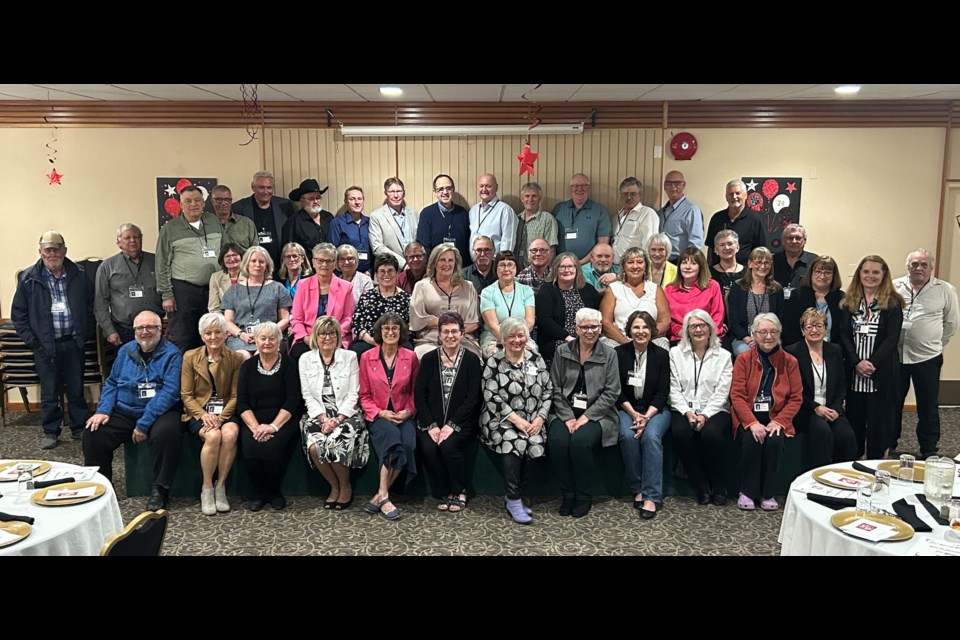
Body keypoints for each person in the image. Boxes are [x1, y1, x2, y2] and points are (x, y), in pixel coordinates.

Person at [83, 311, 183, 511]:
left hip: (159, 411)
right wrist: (103, 410)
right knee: (94, 432)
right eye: (140, 328)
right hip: (125, 408)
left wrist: (144, 423)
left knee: (167, 433)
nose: (145, 332)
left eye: (150, 327)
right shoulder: (126, 351)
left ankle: (160, 489)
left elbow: (170, 392)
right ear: (135, 331)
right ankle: (103, 487)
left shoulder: (172, 354)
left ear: (160, 330)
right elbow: (112, 382)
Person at [12, 230, 95, 449]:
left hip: (73, 342)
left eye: (56, 248)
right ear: (40, 252)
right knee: (49, 391)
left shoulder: (79, 273)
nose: (52, 253)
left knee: (76, 388)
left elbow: (91, 305)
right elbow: (18, 314)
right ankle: (50, 431)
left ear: (64, 250)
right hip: (44, 346)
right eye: (48, 249)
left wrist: (84, 332)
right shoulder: (28, 277)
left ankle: (79, 428)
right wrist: (33, 341)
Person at [548, 307, 620, 517]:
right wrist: (569, 417)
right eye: (585, 327)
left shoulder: (609, 354)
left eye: (595, 327)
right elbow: (555, 387)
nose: (590, 331)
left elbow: (612, 392)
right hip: (564, 411)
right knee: (558, 442)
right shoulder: (563, 351)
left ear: (600, 329)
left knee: (580, 443)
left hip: (598, 413)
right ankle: (568, 494)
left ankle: (583, 496)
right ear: (576, 329)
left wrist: (586, 417)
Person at [480, 317, 552, 525]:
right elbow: (491, 395)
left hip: (533, 419)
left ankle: (517, 494)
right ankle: (513, 499)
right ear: (503, 338)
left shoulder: (535, 359)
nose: (516, 340)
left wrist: (540, 417)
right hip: (500, 420)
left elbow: (548, 390)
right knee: (515, 442)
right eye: (511, 335)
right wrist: (516, 421)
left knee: (536, 445)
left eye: (520, 335)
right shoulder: (495, 361)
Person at [729, 313, 802, 511]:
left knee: (775, 441)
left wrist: (780, 422)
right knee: (752, 439)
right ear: (753, 335)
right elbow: (736, 396)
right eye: (762, 332)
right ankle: (747, 491)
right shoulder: (743, 359)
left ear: (779, 334)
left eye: (773, 332)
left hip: (776, 418)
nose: (768, 336)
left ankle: (767, 492)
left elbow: (796, 397)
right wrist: (752, 423)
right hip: (748, 417)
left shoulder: (790, 361)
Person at [893, 249, 959, 457]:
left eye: (923, 264)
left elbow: (951, 323)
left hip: (927, 357)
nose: (918, 268)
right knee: (893, 403)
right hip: (897, 356)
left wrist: (934, 343)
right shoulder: (895, 286)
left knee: (928, 406)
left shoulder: (945, 290)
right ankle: (890, 442)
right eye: (914, 264)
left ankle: (929, 449)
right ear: (908, 266)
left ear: (931, 266)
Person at [414, 311, 482, 513]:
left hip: (462, 422)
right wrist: (432, 425)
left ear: (462, 334)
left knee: (448, 446)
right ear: (439, 335)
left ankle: (459, 489)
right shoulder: (428, 359)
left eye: (454, 331)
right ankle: (445, 490)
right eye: (445, 332)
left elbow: (472, 398)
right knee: (428, 447)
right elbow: (419, 394)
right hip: (431, 421)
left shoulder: (471, 360)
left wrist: (451, 426)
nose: (450, 336)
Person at [299, 316, 369, 510]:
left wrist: (337, 420)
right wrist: (323, 418)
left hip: (345, 413)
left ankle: (345, 487)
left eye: (331, 333)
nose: (327, 337)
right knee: (315, 447)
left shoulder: (350, 357)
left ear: (338, 336)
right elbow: (307, 395)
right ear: (315, 336)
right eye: (322, 333)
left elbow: (354, 393)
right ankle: (334, 486)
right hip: (317, 413)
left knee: (335, 443)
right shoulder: (306, 359)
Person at [839, 255, 904, 459]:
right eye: (866, 271)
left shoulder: (892, 303)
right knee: (855, 419)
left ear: (884, 275)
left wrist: (871, 363)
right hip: (855, 371)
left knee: (879, 423)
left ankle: (877, 462)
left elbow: (892, 338)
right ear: (859, 273)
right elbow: (843, 334)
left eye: (876, 272)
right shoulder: (849, 302)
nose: (870, 276)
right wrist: (856, 362)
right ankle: (855, 459)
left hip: (880, 372)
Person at [668, 310, 733, 506]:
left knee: (710, 434)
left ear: (710, 328)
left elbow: (722, 392)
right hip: (683, 408)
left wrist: (704, 415)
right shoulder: (675, 353)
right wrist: (687, 413)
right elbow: (673, 388)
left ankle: (718, 484)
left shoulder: (724, 356)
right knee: (681, 432)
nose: (698, 330)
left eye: (702, 325)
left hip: (715, 409)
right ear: (687, 331)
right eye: (693, 326)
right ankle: (701, 484)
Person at [359, 313, 420, 521]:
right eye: (386, 329)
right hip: (379, 416)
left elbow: (415, 391)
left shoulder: (410, 356)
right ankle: (385, 497)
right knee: (393, 440)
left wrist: (409, 412)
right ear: (380, 332)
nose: (391, 332)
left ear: (401, 332)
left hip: (404, 414)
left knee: (409, 443)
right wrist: (379, 412)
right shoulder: (367, 357)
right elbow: (364, 395)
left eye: (395, 328)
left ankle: (379, 495)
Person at [180, 313, 242, 515]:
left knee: (230, 434)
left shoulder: (234, 358)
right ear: (202, 336)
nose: (213, 337)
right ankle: (207, 488)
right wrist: (204, 416)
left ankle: (220, 486)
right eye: (208, 333)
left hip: (224, 410)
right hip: (198, 412)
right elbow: (187, 395)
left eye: (217, 332)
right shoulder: (190, 357)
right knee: (214, 435)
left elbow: (235, 395)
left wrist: (221, 417)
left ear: (226, 334)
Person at [236, 321, 302, 511]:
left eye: (272, 338)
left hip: (282, 419)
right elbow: (242, 401)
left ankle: (273, 492)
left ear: (280, 341)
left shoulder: (290, 365)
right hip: (253, 420)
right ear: (255, 341)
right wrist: (256, 427)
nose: (267, 342)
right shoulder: (247, 367)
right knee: (249, 449)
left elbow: (292, 400)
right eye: (262, 338)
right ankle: (259, 492)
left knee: (273, 449)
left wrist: (273, 426)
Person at [615, 311, 671, 520]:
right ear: (629, 329)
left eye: (645, 327)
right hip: (626, 407)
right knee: (627, 436)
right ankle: (637, 487)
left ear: (652, 331)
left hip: (655, 409)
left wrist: (645, 417)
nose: (640, 332)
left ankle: (651, 496)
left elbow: (662, 392)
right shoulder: (619, 353)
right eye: (636, 327)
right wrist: (633, 413)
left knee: (651, 437)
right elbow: (616, 389)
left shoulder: (661, 355)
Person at [785, 308, 857, 469]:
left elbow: (841, 386)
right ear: (802, 330)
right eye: (809, 326)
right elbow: (792, 391)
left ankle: (844, 475)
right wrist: (816, 408)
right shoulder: (792, 353)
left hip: (832, 408)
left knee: (847, 435)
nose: (814, 330)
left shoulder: (835, 350)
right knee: (822, 431)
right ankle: (821, 475)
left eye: (818, 326)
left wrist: (836, 408)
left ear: (826, 328)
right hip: (806, 410)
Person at [156, 185, 224, 352]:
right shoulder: (170, 229)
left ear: (203, 203)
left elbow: (225, 251)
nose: (193, 204)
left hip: (212, 290)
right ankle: (182, 377)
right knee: (183, 338)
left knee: (210, 336)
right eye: (188, 201)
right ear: (181, 205)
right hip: (183, 292)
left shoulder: (214, 221)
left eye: (197, 200)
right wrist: (167, 295)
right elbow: (161, 263)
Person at [95, 223, 163, 348]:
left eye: (136, 237)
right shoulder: (107, 266)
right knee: (129, 366)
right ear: (119, 242)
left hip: (155, 329)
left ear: (141, 239)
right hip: (124, 330)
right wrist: (109, 331)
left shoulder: (157, 261)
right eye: (127, 238)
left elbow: (168, 293)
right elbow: (100, 303)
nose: (132, 241)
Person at [409, 243, 481, 358]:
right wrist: (447, 327)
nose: (447, 264)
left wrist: (453, 334)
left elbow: (474, 323)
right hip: (431, 339)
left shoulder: (468, 287)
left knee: (471, 358)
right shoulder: (421, 286)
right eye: (442, 260)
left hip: (463, 339)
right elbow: (417, 319)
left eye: (450, 260)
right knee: (425, 356)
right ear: (434, 263)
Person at [221, 246, 292, 360]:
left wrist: (266, 333)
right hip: (241, 338)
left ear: (267, 266)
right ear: (246, 264)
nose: (257, 265)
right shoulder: (233, 291)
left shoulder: (278, 288)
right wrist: (241, 334)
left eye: (261, 262)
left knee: (262, 356)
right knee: (242, 356)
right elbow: (228, 321)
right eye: (253, 261)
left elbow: (285, 319)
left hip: (270, 337)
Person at [534, 251, 602, 365]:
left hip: (588, 337)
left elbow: (598, 313)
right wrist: (568, 337)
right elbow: (544, 320)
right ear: (556, 269)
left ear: (577, 269)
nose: (567, 270)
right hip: (557, 340)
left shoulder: (588, 290)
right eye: (563, 267)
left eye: (571, 266)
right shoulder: (546, 290)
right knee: (570, 351)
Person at [290, 243, 355, 357]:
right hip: (308, 337)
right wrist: (306, 338)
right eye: (320, 260)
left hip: (335, 337)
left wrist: (333, 336)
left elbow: (348, 318)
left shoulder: (346, 287)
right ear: (313, 262)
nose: (324, 265)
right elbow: (296, 319)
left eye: (329, 261)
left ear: (335, 264)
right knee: (298, 353)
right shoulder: (302, 285)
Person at [600, 247, 670, 349]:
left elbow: (665, 321)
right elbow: (606, 322)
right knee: (607, 348)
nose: (635, 266)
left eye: (640, 262)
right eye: (630, 262)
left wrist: (645, 338)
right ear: (624, 266)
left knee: (662, 347)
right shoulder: (614, 289)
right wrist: (626, 342)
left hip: (650, 338)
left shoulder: (656, 289)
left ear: (645, 266)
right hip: (620, 340)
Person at [350, 254, 411, 356]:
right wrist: (370, 340)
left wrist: (393, 341)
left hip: (397, 341)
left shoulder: (406, 298)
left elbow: (410, 326)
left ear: (397, 274)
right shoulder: (366, 296)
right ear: (376, 275)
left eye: (390, 270)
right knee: (357, 350)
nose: (386, 274)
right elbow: (356, 323)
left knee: (408, 350)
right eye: (382, 271)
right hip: (369, 341)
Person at [232, 170, 294, 270]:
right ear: (253, 187)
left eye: (269, 187)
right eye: (261, 187)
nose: (266, 191)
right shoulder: (239, 208)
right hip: (253, 266)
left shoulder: (284, 205)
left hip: (280, 265)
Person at [727, 246, 784, 355]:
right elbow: (734, 321)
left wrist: (767, 338)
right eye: (758, 262)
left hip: (770, 337)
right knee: (745, 353)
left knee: (777, 354)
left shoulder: (776, 289)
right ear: (750, 264)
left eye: (767, 263)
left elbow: (779, 318)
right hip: (744, 338)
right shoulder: (738, 287)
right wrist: (747, 338)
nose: (763, 266)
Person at [663, 247, 725, 344]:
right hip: (680, 338)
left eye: (693, 263)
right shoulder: (669, 289)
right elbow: (666, 319)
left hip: (709, 337)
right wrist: (681, 333)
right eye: (684, 263)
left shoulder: (712, 286)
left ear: (701, 267)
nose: (687, 267)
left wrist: (705, 334)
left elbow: (717, 315)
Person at [479, 250, 535, 357]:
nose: (506, 269)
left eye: (510, 265)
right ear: (495, 269)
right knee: (499, 354)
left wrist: (517, 339)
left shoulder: (527, 291)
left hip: (521, 337)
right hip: (494, 337)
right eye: (502, 265)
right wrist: (510, 341)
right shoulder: (487, 292)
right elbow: (493, 326)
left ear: (516, 268)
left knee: (531, 352)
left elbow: (530, 321)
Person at [781, 255, 845, 346]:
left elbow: (844, 332)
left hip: (833, 352)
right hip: (801, 351)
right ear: (811, 273)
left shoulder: (841, 298)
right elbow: (789, 328)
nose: (822, 276)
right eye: (818, 271)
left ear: (834, 275)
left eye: (827, 272)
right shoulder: (798, 295)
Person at [705, 179, 768, 265]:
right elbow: (711, 247)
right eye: (731, 194)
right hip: (718, 272)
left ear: (745, 195)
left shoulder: (755, 219)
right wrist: (708, 270)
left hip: (745, 273)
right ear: (726, 197)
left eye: (738, 193)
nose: (734, 197)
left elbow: (760, 250)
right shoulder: (716, 218)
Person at [553, 173, 611, 263]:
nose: (579, 189)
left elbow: (602, 243)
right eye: (575, 185)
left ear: (589, 188)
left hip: (588, 266)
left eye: (584, 185)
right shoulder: (559, 209)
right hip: (561, 265)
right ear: (571, 188)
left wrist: (581, 262)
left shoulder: (599, 211)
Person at [416, 174, 472, 266]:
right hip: (436, 268)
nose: (445, 192)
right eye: (440, 189)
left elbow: (467, 244)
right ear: (435, 192)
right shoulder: (426, 214)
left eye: (448, 188)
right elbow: (424, 245)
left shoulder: (463, 213)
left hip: (460, 268)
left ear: (453, 190)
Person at [369, 177, 419, 270]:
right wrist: (403, 264)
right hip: (390, 269)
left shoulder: (414, 214)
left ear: (404, 193)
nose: (396, 195)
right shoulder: (376, 216)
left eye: (399, 191)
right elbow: (377, 247)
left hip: (415, 268)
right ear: (385, 193)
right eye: (391, 192)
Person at [658, 170, 704, 263]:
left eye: (677, 183)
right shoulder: (661, 212)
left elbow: (695, 242)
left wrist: (688, 263)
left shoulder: (691, 210)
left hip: (681, 261)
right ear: (664, 187)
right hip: (662, 262)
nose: (673, 187)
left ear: (684, 185)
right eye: (669, 183)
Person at [281, 178, 334, 259]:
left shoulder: (329, 217)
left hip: (328, 266)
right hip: (306, 269)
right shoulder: (294, 222)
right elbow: (288, 251)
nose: (316, 201)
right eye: (311, 199)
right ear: (302, 201)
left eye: (318, 198)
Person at [513, 182, 558, 271]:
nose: (530, 199)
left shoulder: (547, 219)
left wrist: (543, 272)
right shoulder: (516, 219)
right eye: (527, 196)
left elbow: (551, 249)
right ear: (522, 199)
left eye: (534, 196)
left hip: (539, 271)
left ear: (540, 199)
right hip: (518, 271)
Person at [468, 173, 516, 254]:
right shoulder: (473, 210)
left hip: (495, 263)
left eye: (488, 186)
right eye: (481, 186)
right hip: (476, 262)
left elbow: (508, 241)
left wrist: (503, 262)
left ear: (496, 188)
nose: (484, 189)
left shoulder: (505, 210)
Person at [612, 177, 658, 262]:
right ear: (621, 195)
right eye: (625, 194)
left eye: (633, 194)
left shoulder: (647, 214)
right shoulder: (617, 217)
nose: (629, 197)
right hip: (615, 265)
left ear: (639, 194)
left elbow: (649, 245)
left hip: (634, 266)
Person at [328, 186, 372, 274]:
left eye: (359, 199)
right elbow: (332, 252)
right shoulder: (337, 223)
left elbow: (374, 250)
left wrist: (370, 271)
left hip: (368, 274)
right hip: (345, 275)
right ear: (346, 202)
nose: (357, 202)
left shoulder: (370, 222)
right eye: (352, 199)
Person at [772, 223, 817, 299]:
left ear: (805, 241)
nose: (794, 241)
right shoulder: (772, 261)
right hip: (777, 308)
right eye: (790, 238)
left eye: (798, 238)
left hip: (804, 308)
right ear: (783, 241)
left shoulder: (814, 261)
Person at [210, 185, 258, 254]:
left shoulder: (247, 223)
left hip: (242, 264)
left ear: (231, 201)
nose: (223, 203)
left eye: (227, 199)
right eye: (218, 200)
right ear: (212, 201)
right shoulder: (207, 224)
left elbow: (255, 251)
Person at [207, 243, 246, 314]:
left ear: (241, 257)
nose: (231, 259)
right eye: (227, 256)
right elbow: (214, 308)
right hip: (224, 320)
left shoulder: (251, 275)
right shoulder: (215, 277)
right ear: (223, 259)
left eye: (234, 255)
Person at [708, 229, 745, 300]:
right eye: (722, 245)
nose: (726, 248)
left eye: (730, 244)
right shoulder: (709, 274)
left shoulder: (748, 273)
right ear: (716, 250)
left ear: (737, 247)